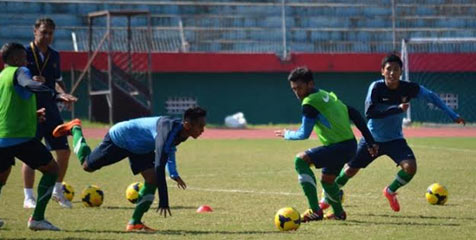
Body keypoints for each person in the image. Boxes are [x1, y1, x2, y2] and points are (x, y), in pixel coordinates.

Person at [326, 53, 465, 212]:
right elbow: (370, 113)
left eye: (396, 69)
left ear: (401, 72)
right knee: (350, 170)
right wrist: (396, 109)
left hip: (395, 140)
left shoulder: (408, 88)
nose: (392, 72)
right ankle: (328, 195)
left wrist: (452, 115)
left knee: (410, 167)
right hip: (372, 140)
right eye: (389, 69)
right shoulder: (376, 87)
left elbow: (432, 97)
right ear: (382, 71)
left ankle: (390, 191)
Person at [53, 107, 206, 232]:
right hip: (121, 138)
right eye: (200, 126)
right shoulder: (167, 130)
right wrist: (164, 200)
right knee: (87, 165)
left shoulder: (182, 132)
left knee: (152, 179)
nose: (203, 130)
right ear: (187, 125)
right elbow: (159, 164)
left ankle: (135, 223)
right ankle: (75, 128)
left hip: (141, 147)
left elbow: (169, 149)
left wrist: (173, 174)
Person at [275, 67, 378, 221]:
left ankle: (315, 211)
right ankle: (339, 213)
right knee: (328, 181)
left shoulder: (309, 103)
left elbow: (304, 134)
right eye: (294, 89)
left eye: (300, 88)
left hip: (339, 147)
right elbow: (354, 113)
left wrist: (287, 134)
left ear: (310, 84)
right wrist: (370, 141)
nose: (297, 93)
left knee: (300, 160)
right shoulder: (326, 95)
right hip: (349, 146)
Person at [0, 42, 77, 230]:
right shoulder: (21, 71)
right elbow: (29, 83)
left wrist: (31, 114)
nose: (26, 61)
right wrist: (56, 95)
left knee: (1, 180)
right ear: (16, 59)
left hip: (3, 136)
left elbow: (8, 105)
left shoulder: (2, 76)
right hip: (21, 138)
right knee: (52, 171)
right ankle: (37, 219)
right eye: (24, 58)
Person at [22, 17, 77, 209]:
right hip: (31, 109)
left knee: (64, 151)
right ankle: (28, 196)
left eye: (51, 33)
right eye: (44, 32)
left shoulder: (55, 55)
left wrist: (64, 95)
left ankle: (57, 189)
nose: (47, 36)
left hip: (51, 109)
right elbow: (16, 78)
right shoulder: (23, 53)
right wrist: (30, 78)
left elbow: (57, 81)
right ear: (35, 31)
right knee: (31, 153)